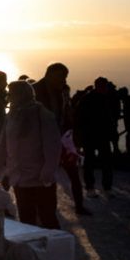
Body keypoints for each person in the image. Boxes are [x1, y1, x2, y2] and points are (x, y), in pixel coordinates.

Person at [0, 81, 61, 229]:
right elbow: (2, 144)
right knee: (26, 220)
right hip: (19, 179)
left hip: (41, 180)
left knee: (47, 218)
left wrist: (47, 174)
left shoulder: (43, 115)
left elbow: (52, 147)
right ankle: (30, 250)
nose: (8, 98)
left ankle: (54, 250)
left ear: (20, 94)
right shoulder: (12, 115)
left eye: (11, 94)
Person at [34, 63, 91, 215]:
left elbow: (66, 116)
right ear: (50, 74)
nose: (64, 80)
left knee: (73, 173)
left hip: (62, 140)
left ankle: (79, 206)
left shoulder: (61, 91)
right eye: (61, 77)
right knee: (43, 178)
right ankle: (45, 211)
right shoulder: (35, 90)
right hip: (42, 142)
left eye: (65, 77)